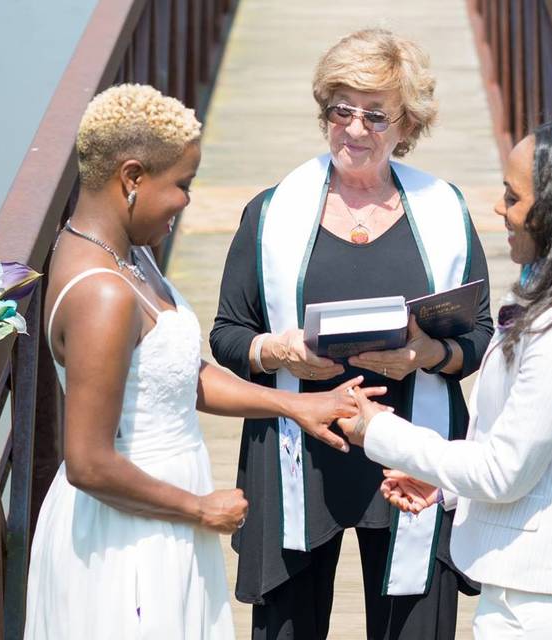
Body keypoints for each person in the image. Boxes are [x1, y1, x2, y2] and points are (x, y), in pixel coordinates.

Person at [23, 84, 373, 640]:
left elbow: (178, 372)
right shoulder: (104, 295)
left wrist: (294, 406)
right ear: (132, 178)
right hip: (130, 530)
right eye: (181, 184)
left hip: (161, 513)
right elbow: (88, 462)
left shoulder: (126, 253)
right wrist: (198, 508)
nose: (187, 201)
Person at [210, 29, 493, 640]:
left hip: (413, 452)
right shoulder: (270, 212)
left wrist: (427, 353)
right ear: (324, 113)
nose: (356, 129)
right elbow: (228, 335)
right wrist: (279, 350)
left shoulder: (445, 210)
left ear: (406, 125)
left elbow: (480, 334)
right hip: (299, 446)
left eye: (375, 115)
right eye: (341, 110)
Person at [338, 118, 552, 639]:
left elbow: (503, 471)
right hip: (534, 573)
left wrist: (379, 432)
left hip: (548, 586)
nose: (499, 209)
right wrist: (444, 483)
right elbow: (523, 444)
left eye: (513, 198)